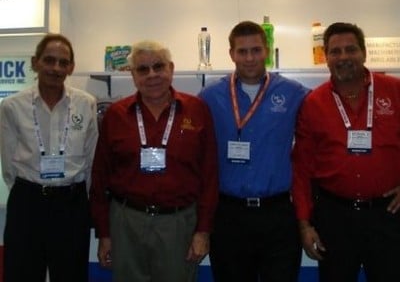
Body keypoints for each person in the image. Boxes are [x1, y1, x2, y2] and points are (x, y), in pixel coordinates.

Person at [89, 40, 218, 282]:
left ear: (171, 68)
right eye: (142, 69)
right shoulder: (116, 115)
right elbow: (100, 177)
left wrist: (203, 230)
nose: (152, 75)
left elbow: (210, 175)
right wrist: (104, 234)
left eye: (158, 66)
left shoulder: (197, 109)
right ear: (133, 75)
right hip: (126, 222)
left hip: (179, 223)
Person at [198, 20, 309, 282]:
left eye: (256, 50)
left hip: (278, 214)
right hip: (229, 215)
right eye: (242, 51)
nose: (249, 58)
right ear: (231, 54)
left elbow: (328, 129)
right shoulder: (209, 96)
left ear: (267, 51)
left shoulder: (294, 93)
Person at [292, 22, 400, 282]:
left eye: (350, 49)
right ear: (326, 57)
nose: (343, 57)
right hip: (334, 217)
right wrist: (304, 224)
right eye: (335, 51)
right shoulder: (313, 103)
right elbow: (301, 168)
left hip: (388, 215)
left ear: (364, 53)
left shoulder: (395, 90)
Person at [0, 33, 99, 282]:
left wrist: (78, 197)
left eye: (63, 62)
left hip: (71, 203)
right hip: (27, 201)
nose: (56, 68)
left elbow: (91, 158)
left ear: (71, 67)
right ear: (35, 63)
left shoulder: (86, 103)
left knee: (71, 275)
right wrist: (32, 190)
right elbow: (8, 162)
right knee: (21, 273)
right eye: (49, 60)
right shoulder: (12, 106)